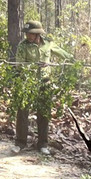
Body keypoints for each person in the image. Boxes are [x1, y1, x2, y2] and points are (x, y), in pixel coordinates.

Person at [12, 20, 68, 155]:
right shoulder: (23, 46)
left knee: (44, 113)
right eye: (26, 34)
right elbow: (19, 65)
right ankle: (20, 143)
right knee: (22, 112)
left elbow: (64, 54)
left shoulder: (48, 44)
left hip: (45, 83)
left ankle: (43, 144)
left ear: (37, 34)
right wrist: (34, 66)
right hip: (27, 83)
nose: (28, 36)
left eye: (30, 34)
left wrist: (74, 62)